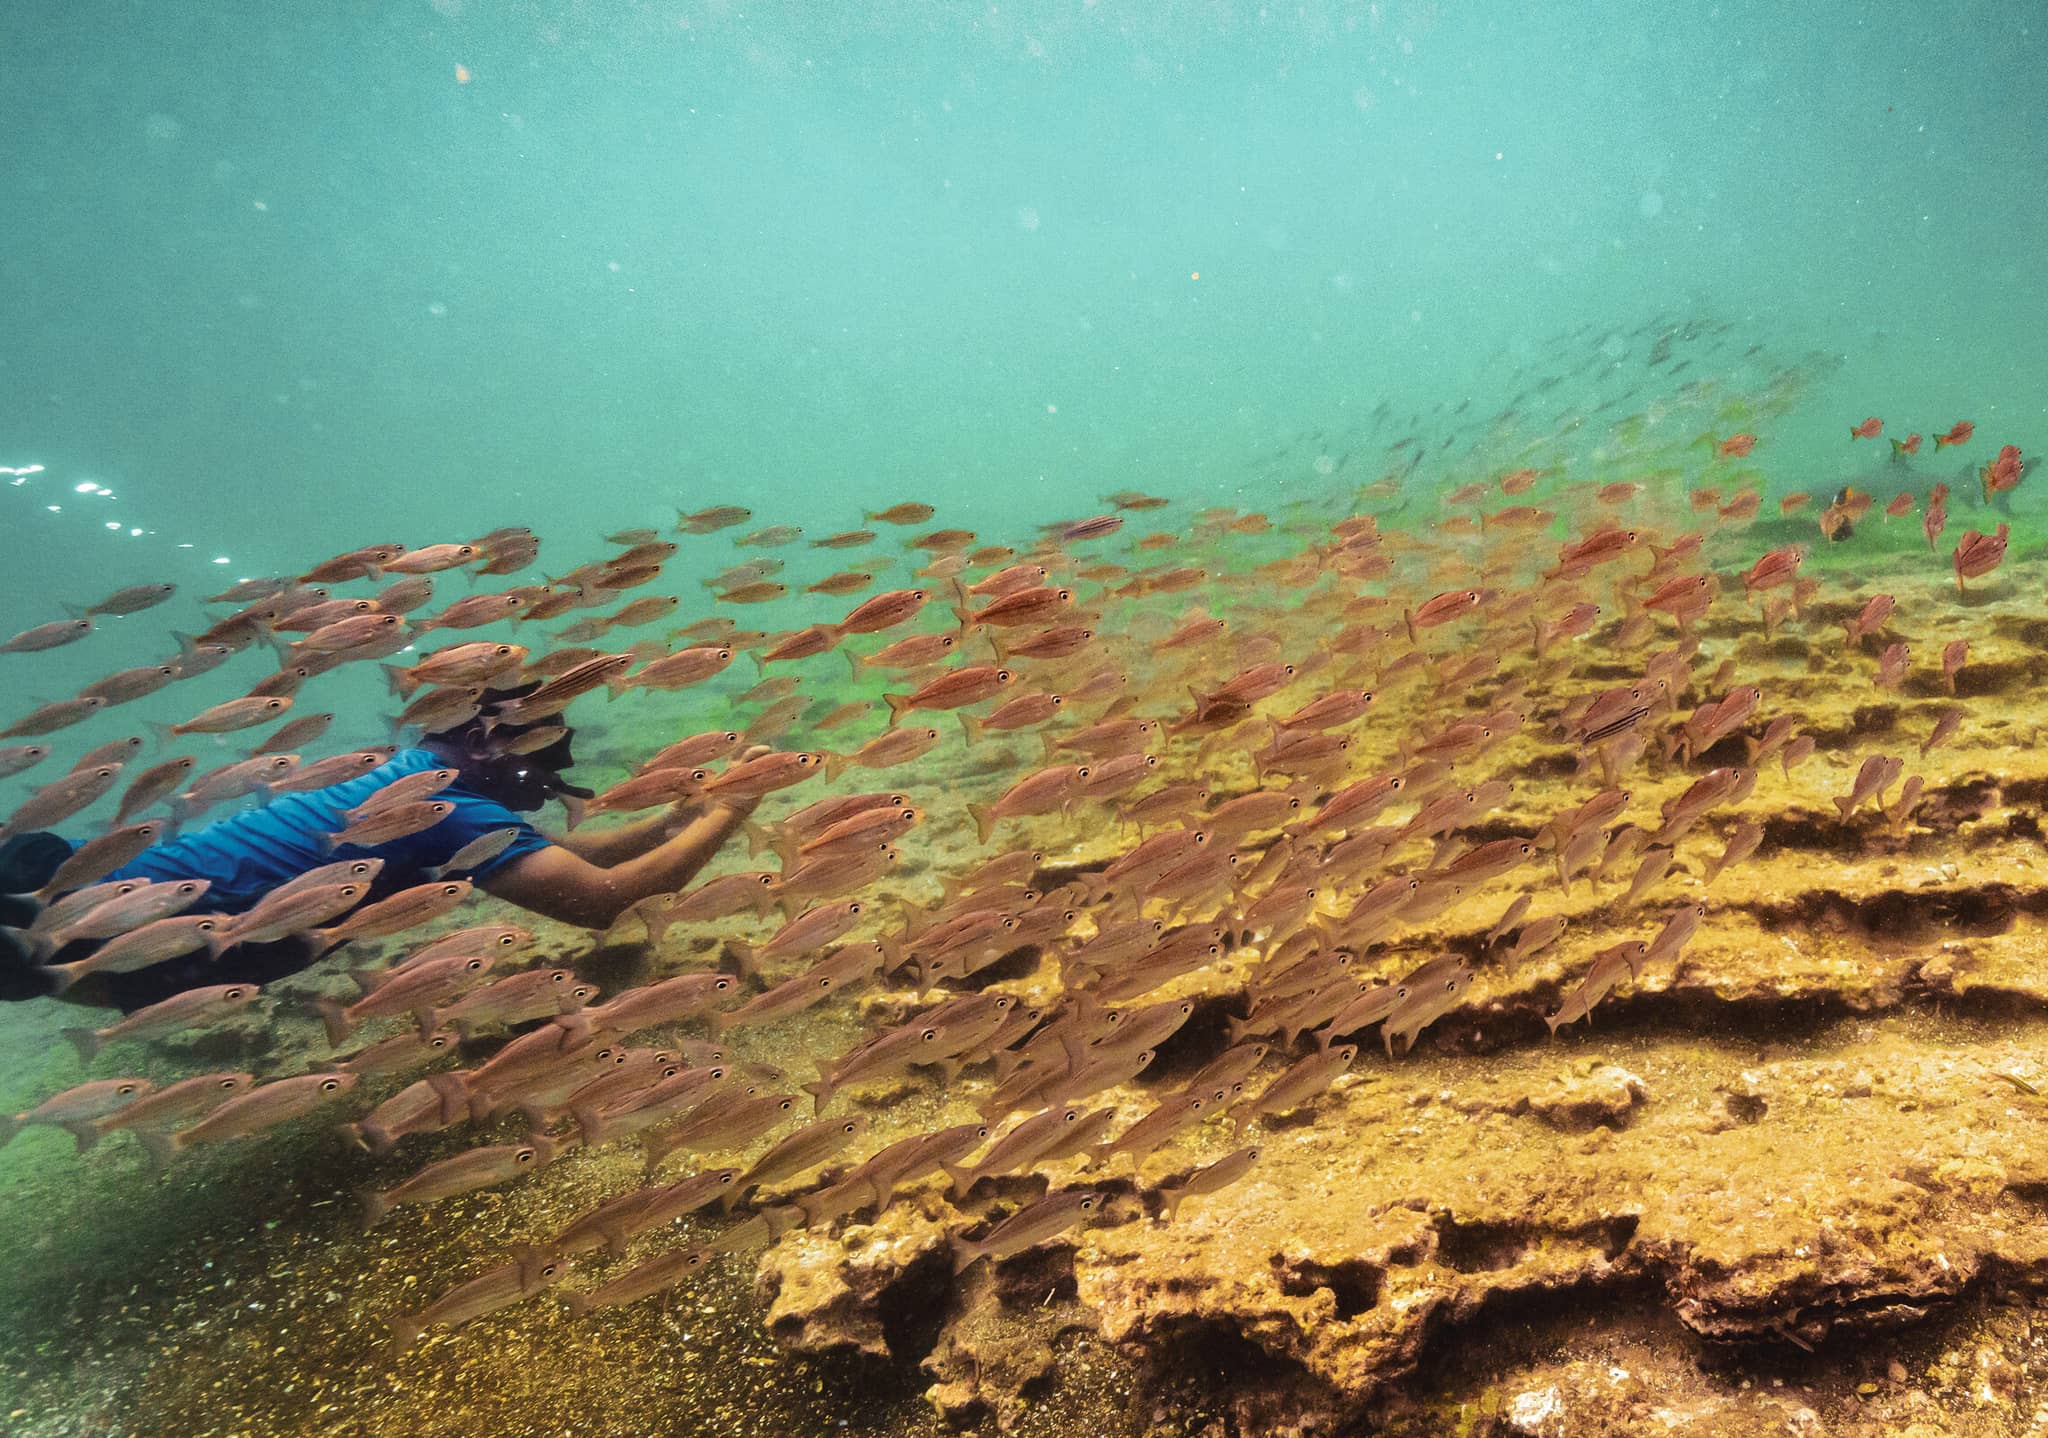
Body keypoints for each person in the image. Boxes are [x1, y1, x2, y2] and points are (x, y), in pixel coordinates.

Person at [0, 686, 766, 1013]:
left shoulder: (407, 783)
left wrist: (673, 823)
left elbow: (551, 855)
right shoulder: (441, 810)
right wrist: (736, 805)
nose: (542, 787)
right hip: (102, 921)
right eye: (537, 762)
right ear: (484, 742)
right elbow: (598, 902)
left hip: (81, 882)